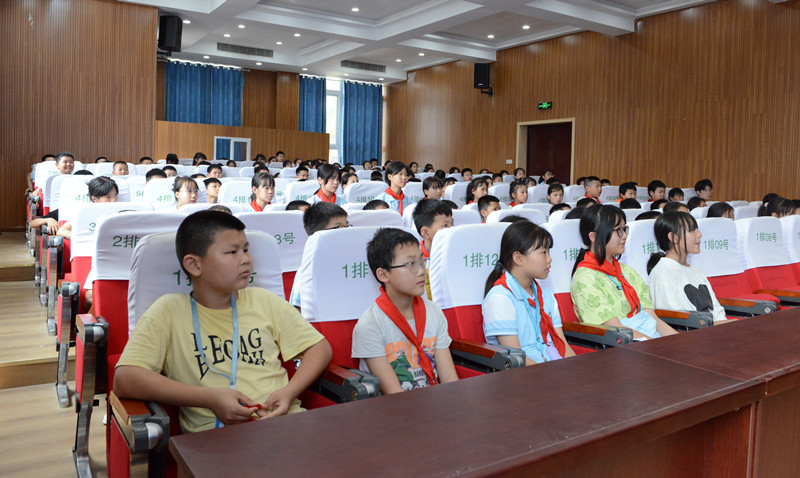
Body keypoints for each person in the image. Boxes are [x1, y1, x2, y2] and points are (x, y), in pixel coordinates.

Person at [114, 211, 332, 433]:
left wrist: (289, 392)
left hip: (285, 423)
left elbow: (319, 348)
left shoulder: (264, 300)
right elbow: (125, 379)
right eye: (232, 252)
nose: (246, 259)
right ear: (194, 265)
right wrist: (209, 398)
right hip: (216, 436)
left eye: (246, 249)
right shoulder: (168, 311)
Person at [352, 228, 458, 394]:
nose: (421, 271)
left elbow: (449, 378)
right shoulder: (370, 325)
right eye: (410, 264)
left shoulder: (433, 312)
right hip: (396, 406)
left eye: (421, 261)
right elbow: (393, 392)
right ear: (383, 275)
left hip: (437, 400)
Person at [570, 204, 677, 339]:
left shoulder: (627, 271)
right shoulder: (585, 278)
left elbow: (652, 318)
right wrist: (659, 347)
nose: (625, 236)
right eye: (618, 230)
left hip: (647, 340)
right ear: (594, 236)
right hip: (622, 345)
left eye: (624, 229)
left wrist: (678, 341)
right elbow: (616, 330)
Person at [483, 220, 576, 364]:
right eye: (543, 252)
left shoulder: (546, 296)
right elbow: (517, 360)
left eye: (549, 252)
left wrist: (577, 368)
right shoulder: (500, 299)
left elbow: (562, 345)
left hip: (554, 367)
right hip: (529, 374)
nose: (549, 259)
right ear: (518, 258)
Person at [647, 211, 727, 323]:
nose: (699, 234)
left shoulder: (697, 272)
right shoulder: (662, 273)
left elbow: (717, 311)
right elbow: (676, 321)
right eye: (692, 230)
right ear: (674, 237)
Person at [289, 203, 350, 308]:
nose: (347, 231)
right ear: (319, 234)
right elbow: (297, 311)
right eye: (340, 227)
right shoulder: (308, 270)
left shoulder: (352, 261)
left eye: (347, 226)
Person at [413, 199, 454, 299]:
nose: (452, 228)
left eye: (452, 223)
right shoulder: (416, 263)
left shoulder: (457, 253)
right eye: (445, 225)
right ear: (426, 233)